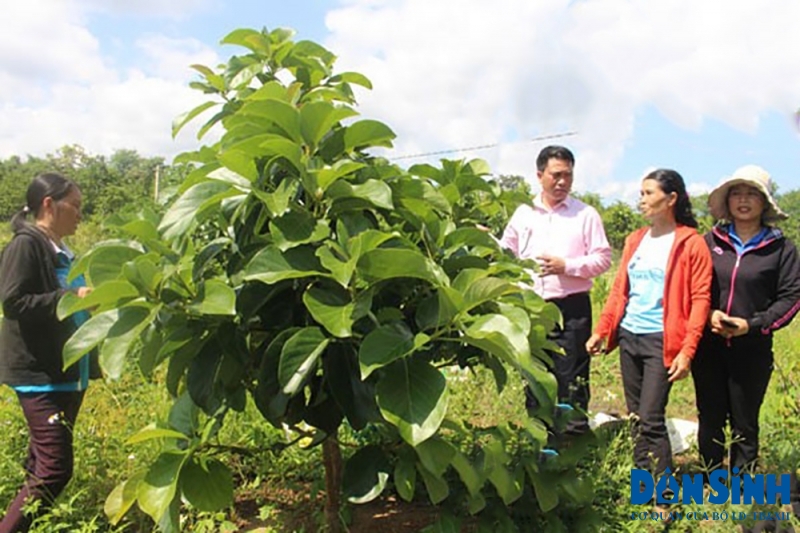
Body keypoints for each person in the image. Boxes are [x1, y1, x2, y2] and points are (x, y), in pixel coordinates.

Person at [586, 169, 712, 476]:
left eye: (648, 193)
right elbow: (620, 290)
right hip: (630, 336)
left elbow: (700, 299)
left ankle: (663, 497)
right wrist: (603, 330)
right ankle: (643, 484)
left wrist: (687, 350)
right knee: (635, 416)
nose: (641, 200)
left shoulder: (690, 243)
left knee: (652, 417)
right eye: (641, 193)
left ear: (671, 199)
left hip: (662, 340)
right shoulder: (635, 240)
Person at [0, 173, 96, 533]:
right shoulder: (26, 245)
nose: (79, 214)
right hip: (41, 376)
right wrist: (71, 298)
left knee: (40, 465)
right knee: (54, 469)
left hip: (68, 373)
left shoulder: (63, 251)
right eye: (75, 206)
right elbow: (13, 302)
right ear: (48, 204)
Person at [692, 165, 800, 475]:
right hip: (709, 344)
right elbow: (692, 286)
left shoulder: (781, 249)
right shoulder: (708, 242)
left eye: (752, 194)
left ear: (764, 203)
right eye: (736, 193)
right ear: (726, 202)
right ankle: (711, 477)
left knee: (745, 419)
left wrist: (750, 325)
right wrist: (709, 313)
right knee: (710, 414)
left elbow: (791, 297)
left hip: (752, 346)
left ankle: (742, 484)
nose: (743, 200)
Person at [500, 145, 612, 440]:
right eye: (556, 175)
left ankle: (572, 450)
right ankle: (541, 445)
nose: (562, 182)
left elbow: (603, 259)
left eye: (568, 176)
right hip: (532, 309)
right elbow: (505, 252)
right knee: (536, 377)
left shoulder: (585, 215)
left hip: (570, 309)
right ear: (540, 176)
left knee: (571, 377)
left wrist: (568, 266)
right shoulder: (523, 213)